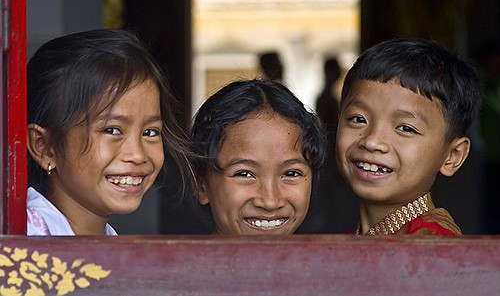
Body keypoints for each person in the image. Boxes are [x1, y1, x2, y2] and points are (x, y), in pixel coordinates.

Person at [26, 29, 191, 235]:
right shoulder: (25, 248)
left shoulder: (105, 240)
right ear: (45, 147)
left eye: (150, 132)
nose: (138, 155)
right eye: (112, 130)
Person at [335, 38, 482, 235]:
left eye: (405, 128)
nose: (372, 141)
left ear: (452, 156)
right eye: (358, 119)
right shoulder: (352, 240)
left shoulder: (433, 248)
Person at [190, 79, 326, 235]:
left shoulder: (327, 259)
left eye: (291, 173)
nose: (270, 202)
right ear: (200, 184)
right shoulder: (177, 260)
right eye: (244, 174)